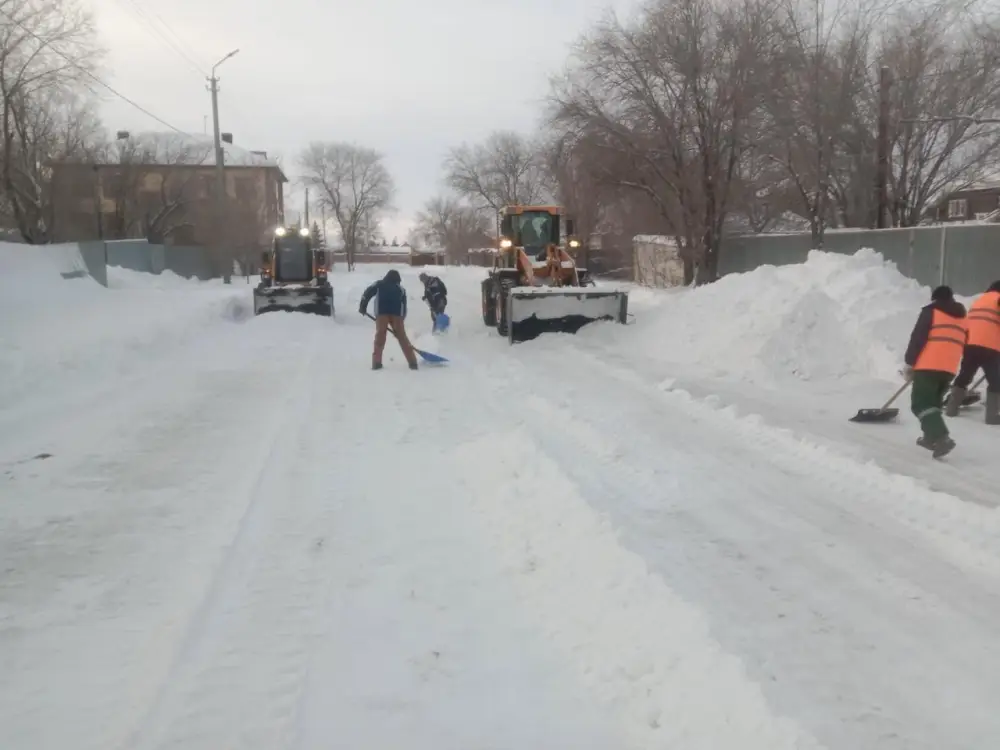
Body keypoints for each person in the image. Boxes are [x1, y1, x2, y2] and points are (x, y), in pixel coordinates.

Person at [902, 285, 967, 457]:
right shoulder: (962, 317)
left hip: (928, 365)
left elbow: (918, 337)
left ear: (935, 299)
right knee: (933, 405)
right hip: (949, 369)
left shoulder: (931, 312)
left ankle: (941, 438)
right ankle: (930, 438)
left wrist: (910, 362)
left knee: (921, 404)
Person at [945, 280, 1000, 424]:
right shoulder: (998, 299)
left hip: (970, 345)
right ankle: (992, 417)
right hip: (990, 347)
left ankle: (951, 409)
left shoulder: (980, 300)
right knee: (995, 382)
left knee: (965, 375)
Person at [359, 269, 418, 371]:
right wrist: (400, 322)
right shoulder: (401, 289)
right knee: (402, 338)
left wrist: (363, 306)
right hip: (397, 315)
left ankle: (377, 363)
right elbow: (404, 307)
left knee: (380, 337)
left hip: (382, 314)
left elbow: (367, 293)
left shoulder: (379, 284)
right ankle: (412, 362)